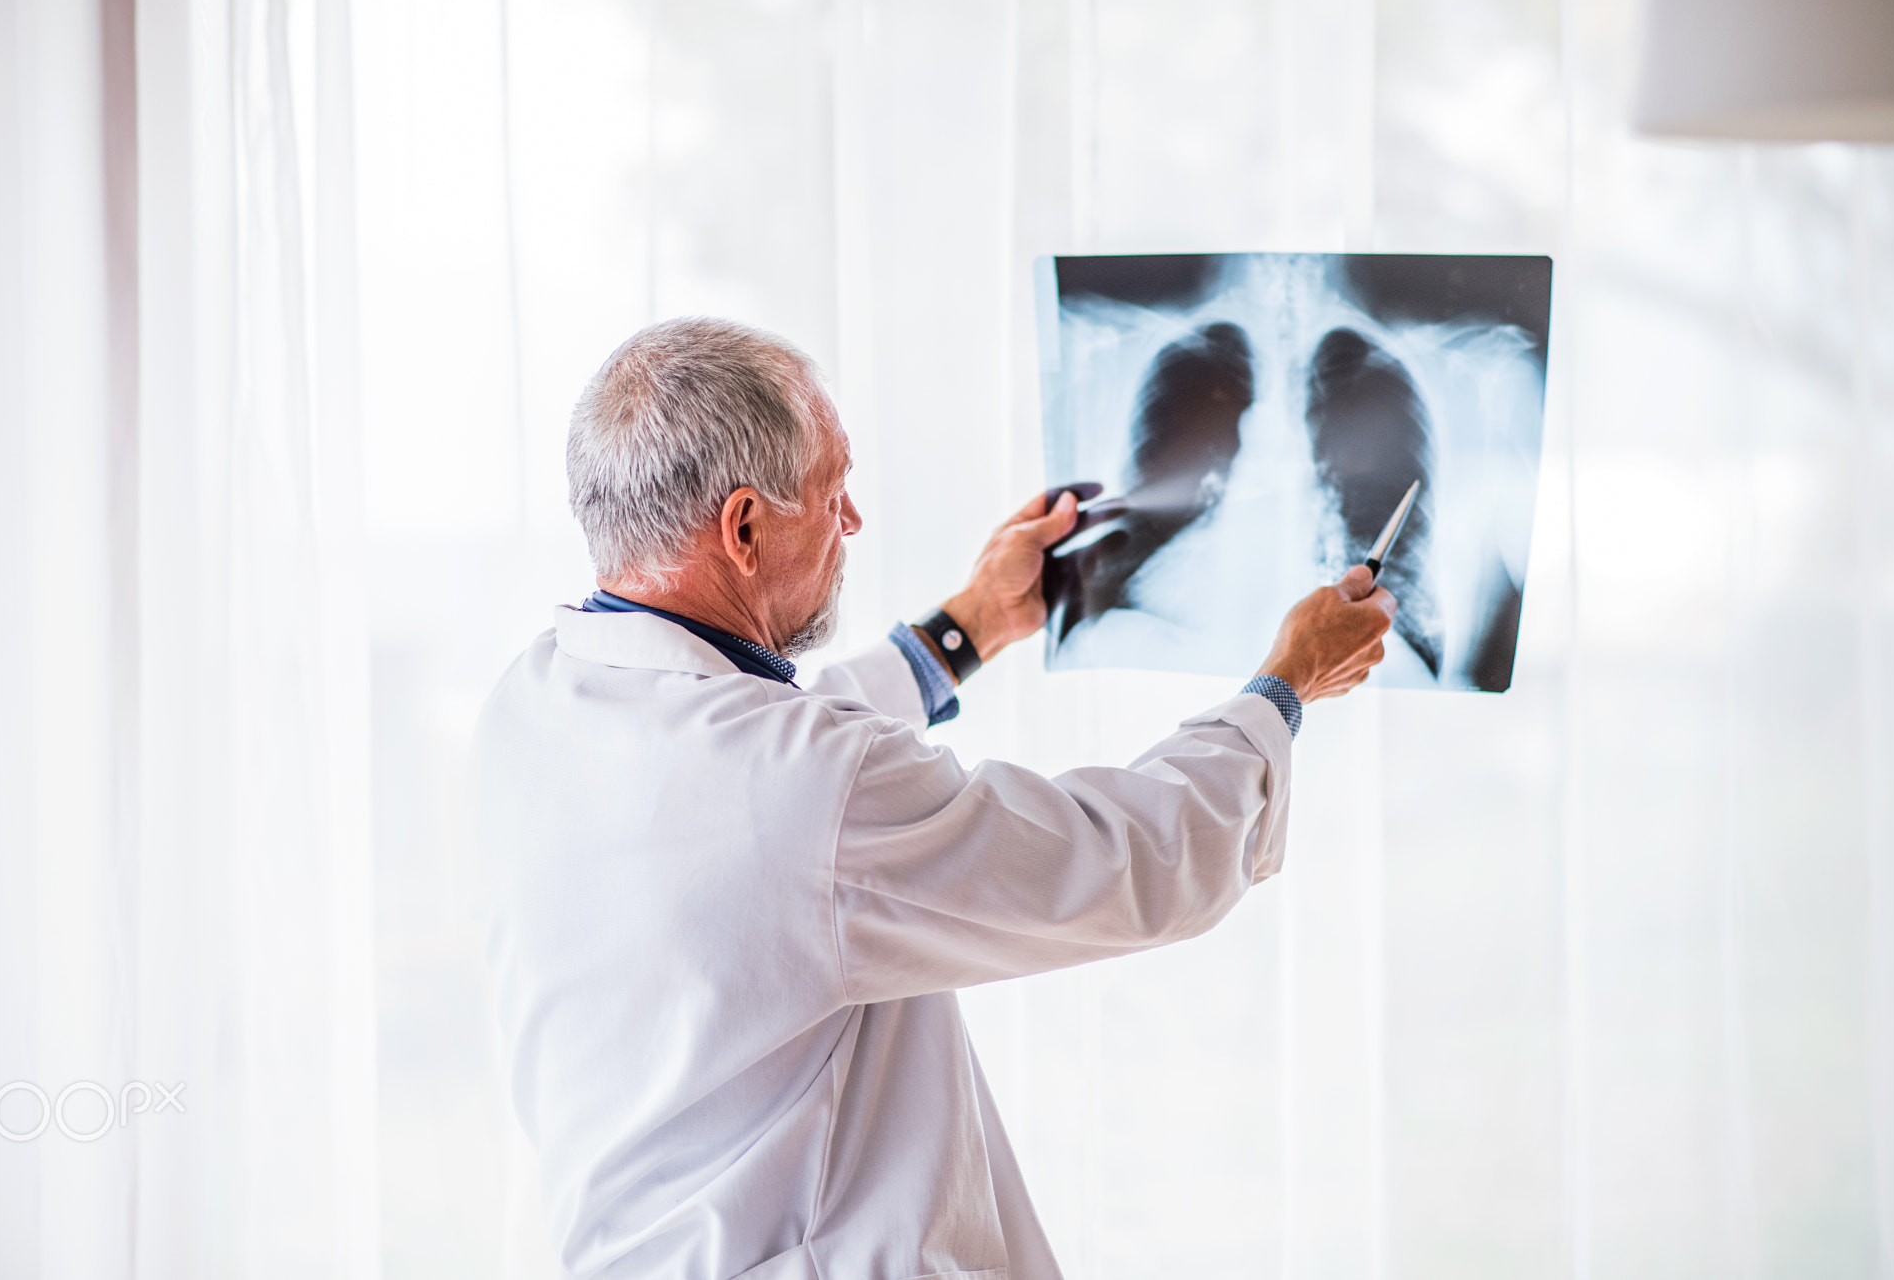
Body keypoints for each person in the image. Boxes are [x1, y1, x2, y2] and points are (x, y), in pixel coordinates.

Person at [474, 316, 1395, 1280]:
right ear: (744, 528)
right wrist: (1286, 686)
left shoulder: (534, 705)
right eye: (836, 492)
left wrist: (968, 627)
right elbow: (1134, 861)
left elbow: (754, 780)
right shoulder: (801, 788)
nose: (854, 522)